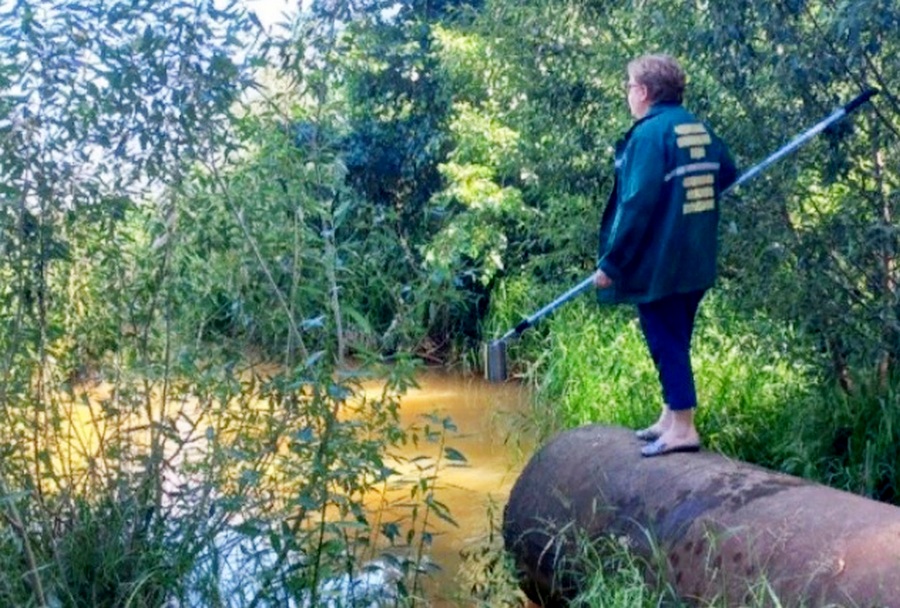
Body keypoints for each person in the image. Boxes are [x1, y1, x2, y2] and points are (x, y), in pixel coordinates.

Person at [593, 54, 737, 457]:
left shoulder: (649, 134)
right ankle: (670, 416)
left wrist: (612, 263)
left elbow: (636, 203)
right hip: (696, 258)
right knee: (676, 336)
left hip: (661, 263)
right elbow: (727, 171)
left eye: (628, 87)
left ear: (643, 92)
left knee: (665, 340)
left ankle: (684, 429)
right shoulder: (696, 126)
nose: (628, 94)